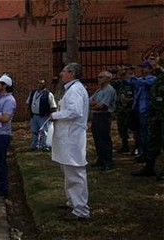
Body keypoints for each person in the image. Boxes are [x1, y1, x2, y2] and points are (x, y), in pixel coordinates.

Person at [50, 63, 91, 221]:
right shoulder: (73, 89)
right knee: (69, 173)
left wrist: (55, 116)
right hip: (68, 137)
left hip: (72, 138)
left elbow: (75, 111)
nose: (61, 74)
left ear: (72, 73)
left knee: (75, 173)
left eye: (64, 71)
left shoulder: (75, 90)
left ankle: (81, 210)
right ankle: (73, 202)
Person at [134, 54, 164, 178]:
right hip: (156, 115)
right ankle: (149, 168)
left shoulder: (159, 76)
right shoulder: (157, 77)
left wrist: (157, 65)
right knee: (153, 142)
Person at [126, 60, 156, 174]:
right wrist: (126, 74)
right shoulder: (140, 80)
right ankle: (142, 153)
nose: (142, 69)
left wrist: (133, 77)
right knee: (138, 134)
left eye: (144, 67)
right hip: (137, 110)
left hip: (146, 110)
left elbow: (142, 83)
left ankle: (148, 158)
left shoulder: (152, 79)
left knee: (146, 134)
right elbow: (129, 83)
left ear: (150, 69)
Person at [89, 71, 117, 171]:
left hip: (104, 117)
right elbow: (89, 101)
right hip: (96, 116)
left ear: (108, 79)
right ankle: (100, 159)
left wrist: (95, 105)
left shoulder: (109, 90)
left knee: (104, 139)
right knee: (97, 139)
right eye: (98, 77)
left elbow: (103, 106)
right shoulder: (99, 90)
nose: (98, 79)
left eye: (101, 77)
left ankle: (108, 162)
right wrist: (95, 104)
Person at [111, 65, 139, 154]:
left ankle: (137, 146)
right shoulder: (120, 83)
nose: (128, 75)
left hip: (131, 109)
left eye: (129, 73)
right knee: (122, 128)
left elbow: (138, 95)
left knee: (135, 129)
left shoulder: (135, 83)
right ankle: (125, 145)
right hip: (121, 110)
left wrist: (130, 100)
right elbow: (111, 83)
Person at [26, 79, 57, 151]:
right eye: (38, 83)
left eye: (41, 84)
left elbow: (53, 106)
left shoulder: (48, 94)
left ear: (44, 85)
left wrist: (52, 115)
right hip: (34, 116)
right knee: (34, 131)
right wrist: (28, 112)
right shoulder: (33, 93)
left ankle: (44, 146)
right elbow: (28, 103)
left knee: (44, 131)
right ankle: (35, 146)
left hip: (43, 116)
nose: (39, 85)